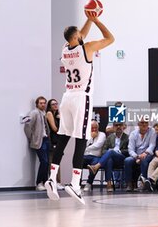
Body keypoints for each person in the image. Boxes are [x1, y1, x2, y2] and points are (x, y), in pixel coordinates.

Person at [45, 11, 114, 203]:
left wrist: (88, 20)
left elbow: (78, 35)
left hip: (66, 97)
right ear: (76, 37)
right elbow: (110, 38)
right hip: (81, 98)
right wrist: (97, 20)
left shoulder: (65, 49)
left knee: (63, 139)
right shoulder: (88, 48)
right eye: (80, 35)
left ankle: (51, 178)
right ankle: (75, 184)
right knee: (82, 140)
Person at [88, 122, 128, 192]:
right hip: (111, 159)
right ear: (113, 127)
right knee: (109, 160)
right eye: (116, 125)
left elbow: (128, 150)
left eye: (120, 125)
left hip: (121, 159)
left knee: (111, 152)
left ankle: (96, 166)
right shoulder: (110, 137)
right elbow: (103, 150)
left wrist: (118, 151)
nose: (118, 127)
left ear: (123, 126)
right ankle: (109, 184)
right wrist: (109, 152)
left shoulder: (127, 137)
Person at [24, 96, 50, 191]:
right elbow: (27, 126)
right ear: (37, 104)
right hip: (39, 141)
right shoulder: (34, 113)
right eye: (41, 103)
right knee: (44, 161)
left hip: (46, 139)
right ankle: (39, 182)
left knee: (47, 163)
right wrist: (32, 138)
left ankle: (45, 182)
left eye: (44, 103)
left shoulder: (44, 113)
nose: (43, 105)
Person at [124, 119, 156, 191]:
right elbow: (130, 149)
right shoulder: (133, 133)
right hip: (136, 155)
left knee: (144, 159)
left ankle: (144, 183)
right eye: (142, 123)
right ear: (138, 124)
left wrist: (145, 153)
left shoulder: (152, 131)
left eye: (146, 123)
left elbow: (152, 145)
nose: (144, 124)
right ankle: (129, 184)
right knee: (127, 160)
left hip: (147, 154)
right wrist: (136, 156)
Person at [83, 120, 106, 191]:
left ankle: (89, 183)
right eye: (92, 128)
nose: (94, 129)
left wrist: (87, 148)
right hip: (85, 156)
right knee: (77, 161)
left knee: (95, 164)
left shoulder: (102, 134)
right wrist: (91, 138)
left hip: (96, 157)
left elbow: (98, 145)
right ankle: (76, 182)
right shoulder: (87, 135)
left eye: (96, 127)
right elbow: (83, 146)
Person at [46, 99, 64, 190]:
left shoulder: (57, 115)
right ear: (49, 106)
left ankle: (58, 181)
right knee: (53, 161)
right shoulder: (49, 114)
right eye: (53, 104)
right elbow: (55, 129)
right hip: (52, 141)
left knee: (57, 161)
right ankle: (54, 181)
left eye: (56, 104)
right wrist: (59, 119)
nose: (55, 105)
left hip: (58, 140)